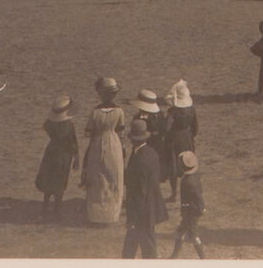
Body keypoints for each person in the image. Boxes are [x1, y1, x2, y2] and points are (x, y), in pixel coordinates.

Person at [80, 77, 126, 224]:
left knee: (98, 177)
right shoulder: (119, 111)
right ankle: (111, 215)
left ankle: (95, 215)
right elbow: (121, 131)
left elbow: (88, 132)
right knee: (114, 176)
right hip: (114, 144)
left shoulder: (95, 112)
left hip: (98, 143)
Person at [122, 118, 168, 258]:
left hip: (142, 212)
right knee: (135, 246)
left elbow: (140, 192)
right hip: (150, 207)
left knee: (145, 248)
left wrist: (133, 218)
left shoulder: (139, 159)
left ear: (133, 139)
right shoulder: (151, 153)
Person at [34, 94, 79, 221]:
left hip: (51, 151)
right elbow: (73, 142)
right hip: (64, 154)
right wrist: (77, 157)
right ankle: (57, 210)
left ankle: (45, 208)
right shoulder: (69, 125)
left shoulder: (50, 124)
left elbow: (47, 129)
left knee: (49, 180)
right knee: (60, 181)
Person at [163, 80, 198, 200]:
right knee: (188, 163)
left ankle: (174, 194)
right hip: (187, 137)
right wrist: (191, 136)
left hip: (175, 139)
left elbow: (167, 127)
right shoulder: (192, 110)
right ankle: (190, 191)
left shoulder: (173, 112)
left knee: (173, 166)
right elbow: (195, 126)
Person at [171, 150, 206, 258]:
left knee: (192, 235)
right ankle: (174, 256)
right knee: (181, 232)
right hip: (191, 210)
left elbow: (197, 197)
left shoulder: (188, 182)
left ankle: (203, 257)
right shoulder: (195, 176)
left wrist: (199, 208)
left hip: (191, 211)